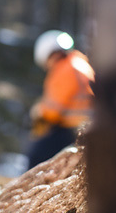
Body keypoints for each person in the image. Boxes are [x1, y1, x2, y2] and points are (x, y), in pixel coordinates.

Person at [27, 30, 94, 168]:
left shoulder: (65, 69)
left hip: (71, 130)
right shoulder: (80, 64)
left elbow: (53, 111)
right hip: (85, 128)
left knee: (37, 156)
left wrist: (39, 112)